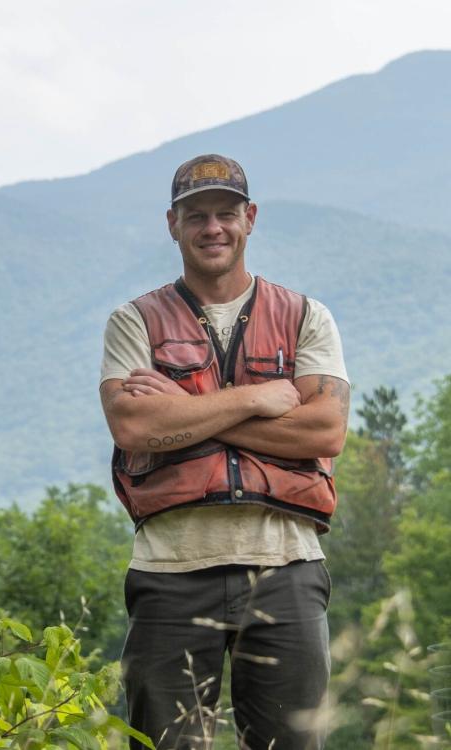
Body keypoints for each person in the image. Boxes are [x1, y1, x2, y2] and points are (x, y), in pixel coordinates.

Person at [99, 154, 349, 750]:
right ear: (172, 225)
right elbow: (133, 425)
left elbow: (324, 432)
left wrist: (190, 407)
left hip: (287, 566)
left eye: (226, 214)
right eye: (197, 216)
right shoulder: (133, 321)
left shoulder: (306, 317)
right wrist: (258, 399)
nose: (213, 228)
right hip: (170, 572)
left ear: (250, 218)